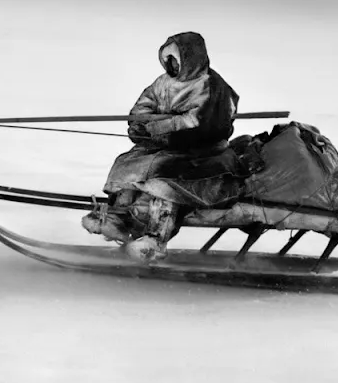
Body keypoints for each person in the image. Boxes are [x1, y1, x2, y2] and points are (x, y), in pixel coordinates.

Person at [85, 31, 241, 259]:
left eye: (175, 59)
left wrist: (164, 126)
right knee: (127, 164)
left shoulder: (212, 86)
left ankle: (154, 240)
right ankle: (119, 219)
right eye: (167, 60)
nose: (171, 64)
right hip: (165, 147)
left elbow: (201, 123)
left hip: (201, 154)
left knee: (165, 179)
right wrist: (143, 123)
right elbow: (143, 106)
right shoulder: (163, 82)